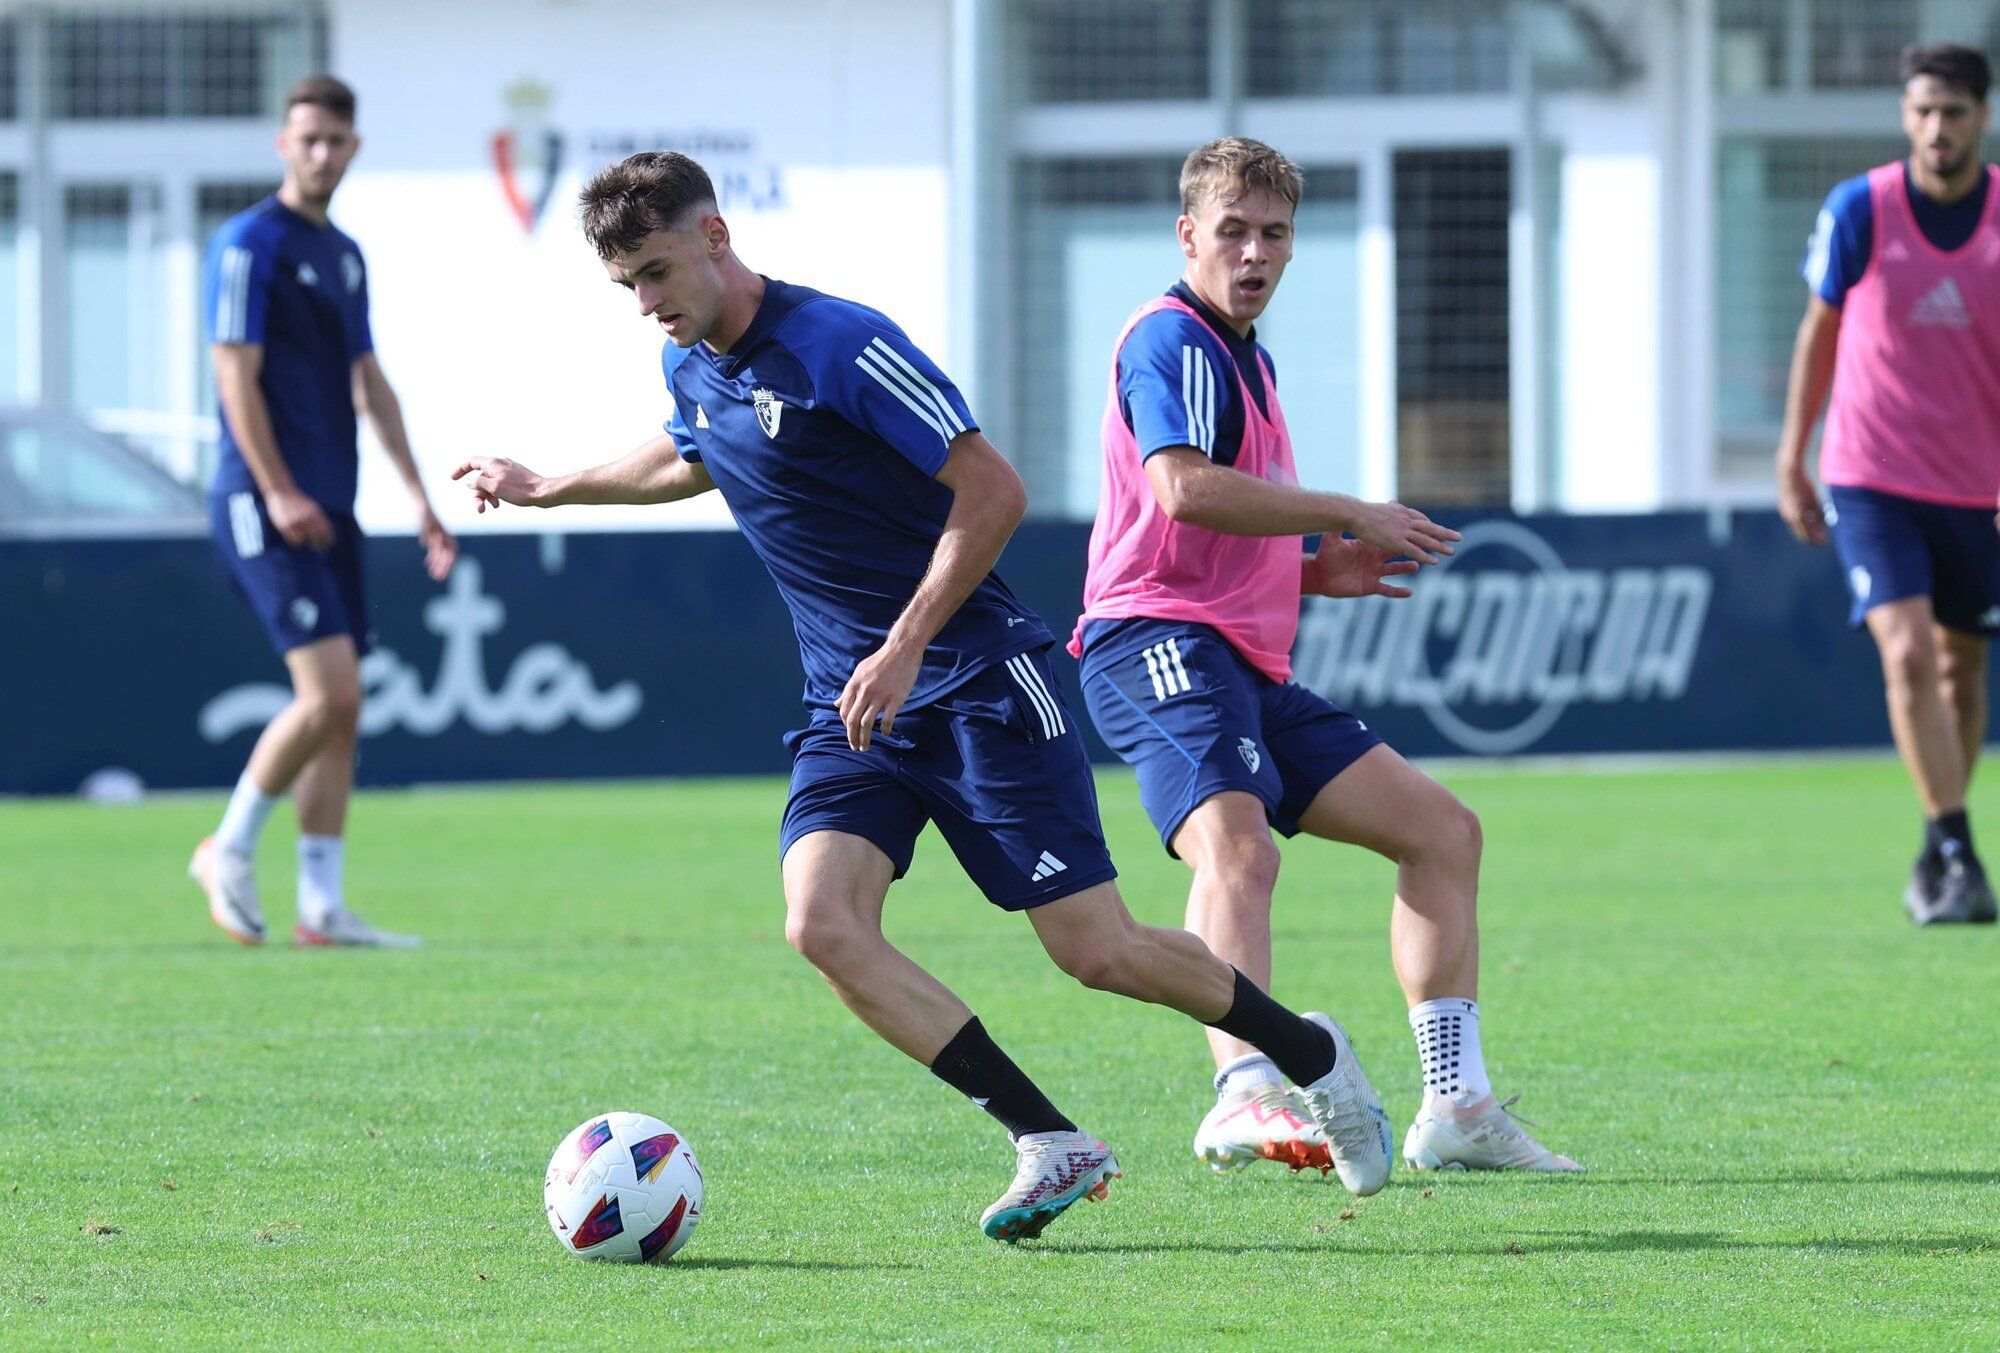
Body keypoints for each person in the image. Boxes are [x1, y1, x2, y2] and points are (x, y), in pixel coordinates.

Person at [457, 151, 1405, 1242]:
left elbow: (992, 488)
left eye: (659, 271)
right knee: (820, 922)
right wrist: (550, 484)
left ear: (715, 237)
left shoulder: (838, 343)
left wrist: (906, 642)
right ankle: (1048, 1139)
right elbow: (693, 453)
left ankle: (1307, 1052)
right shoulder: (692, 365)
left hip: (977, 683)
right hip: (851, 706)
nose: (648, 302)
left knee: (1095, 951)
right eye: (628, 285)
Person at [1071, 137, 1578, 1175]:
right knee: (1237, 848)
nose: (1253, 252)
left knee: (1441, 831)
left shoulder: (1244, 354)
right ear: (1187, 236)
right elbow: (1181, 490)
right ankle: (1243, 1089)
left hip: (1238, 660)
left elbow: (1201, 529)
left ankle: (1456, 1104)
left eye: (1274, 233)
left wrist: (1308, 569)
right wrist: (1347, 508)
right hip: (1153, 643)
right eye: (1232, 231)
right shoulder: (1170, 342)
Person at [190, 75, 455, 948]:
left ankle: (322, 905)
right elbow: (233, 374)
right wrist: (276, 488)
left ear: (353, 146)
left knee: (345, 709)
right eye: (306, 138)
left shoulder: (343, 254)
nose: (321, 154)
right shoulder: (247, 244)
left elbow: (369, 384)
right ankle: (225, 848)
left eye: (335, 140)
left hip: (330, 506)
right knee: (328, 690)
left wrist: (419, 496)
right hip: (262, 500)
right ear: (282, 143)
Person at [1777, 43, 2000, 926]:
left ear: (1981, 115)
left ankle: (1936, 832)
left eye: (1952, 111)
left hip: (1976, 486)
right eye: (1921, 111)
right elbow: (1817, 333)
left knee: (1959, 668)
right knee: (1905, 651)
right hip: (1871, 474)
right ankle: (1959, 850)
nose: (1935, 128)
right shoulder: (1861, 208)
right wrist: (1792, 454)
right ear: (1905, 116)